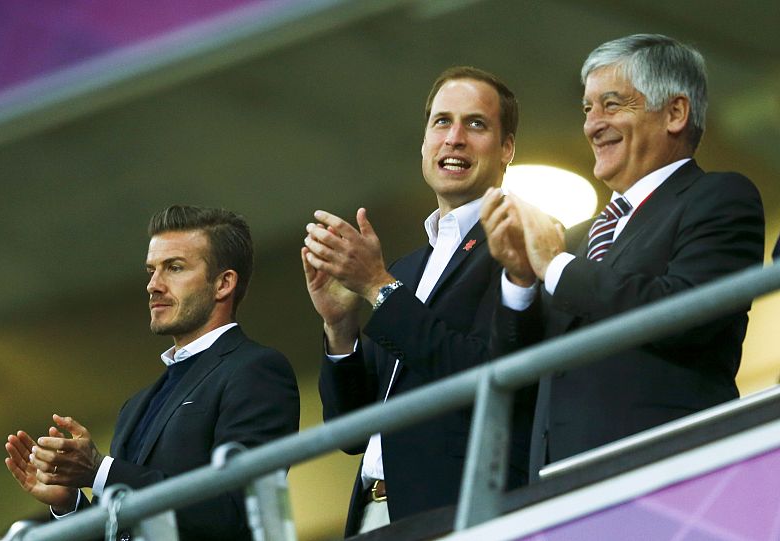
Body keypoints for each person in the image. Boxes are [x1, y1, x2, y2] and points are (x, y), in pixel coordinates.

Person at [480, 34, 765, 479]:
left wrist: (555, 267)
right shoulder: (578, 240)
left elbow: (687, 314)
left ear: (674, 113)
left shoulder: (719, 197)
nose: (593, 125)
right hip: (556, 493)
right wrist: (520, 281)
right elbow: (517, 379)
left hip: (666, 477)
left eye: (612, 105)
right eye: (587, 110)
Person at [302, 66, 534, 535]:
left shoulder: (521, 246)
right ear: (424, 142)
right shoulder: (408, 270)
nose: (454, 138)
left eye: (475, 124)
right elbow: (350, 432)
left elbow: (484, 373)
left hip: (456, 511)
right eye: (441, 122)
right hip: (373, 514)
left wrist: (377, 288)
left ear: (506, 148)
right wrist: (340, 327)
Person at [4, 205, 300, 541]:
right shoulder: (135, 406)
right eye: (151, 270)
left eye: (174, 268)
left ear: (223, 284)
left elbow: (240, 509)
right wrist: (70, 503)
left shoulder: (254, 369)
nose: (153, 285)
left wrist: (101, 471)